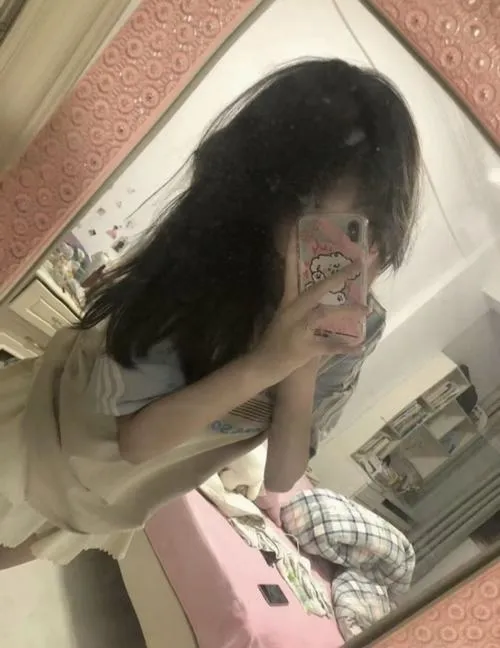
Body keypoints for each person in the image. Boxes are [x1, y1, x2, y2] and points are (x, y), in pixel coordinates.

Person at [0, 58, 420, 570]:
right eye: (311, 210)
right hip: (44, 441)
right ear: (270, 193)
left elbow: (283, 475)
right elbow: (137, 441)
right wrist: (269, 361)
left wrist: (304, 359)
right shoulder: (210, 270)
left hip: (108, 499)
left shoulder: (358, 328)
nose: (333, 248)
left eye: (362, 226)